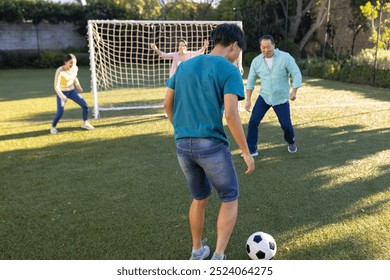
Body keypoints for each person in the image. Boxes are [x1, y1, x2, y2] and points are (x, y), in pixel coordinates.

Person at [164, 23, 255, 260]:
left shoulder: (184, 66)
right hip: (211, 145)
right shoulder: (229, 70)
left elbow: (166, 104)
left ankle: (197, 251)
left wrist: (182, 130)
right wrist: (245, 151)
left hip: (183, 145)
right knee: (229, 197)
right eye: (239, 52)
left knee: (199, 198)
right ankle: (218, 255)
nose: (237, 57)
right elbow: (232, 115)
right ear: (234, 46)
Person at [245, 35, 302, 156]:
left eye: (268, 47)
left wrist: (294, 91)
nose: (266, 50)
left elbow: (296, 73)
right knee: (253, 122)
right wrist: (248, 100)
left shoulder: (285, 57)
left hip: (281, 98)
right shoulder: (256, 61)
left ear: (274, 45)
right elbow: (250, 81)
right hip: (264, 96)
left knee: (286, 125)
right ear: (260, 47)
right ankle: (251, 150)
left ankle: (291, 141)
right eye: (263, 47)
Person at [50, 53, 94, 134]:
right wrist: (62, 96)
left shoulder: (75, 68)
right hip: (62, 92)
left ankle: (85, 123)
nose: (73, 65)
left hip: (72, 91)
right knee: (60, 112)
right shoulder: (60, 71)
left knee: (85, 106)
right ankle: (53, 127)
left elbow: (74, 77)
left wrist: (78, 86)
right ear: (65, 62)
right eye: (71, 62)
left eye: (74, 63)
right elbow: (56, 86)